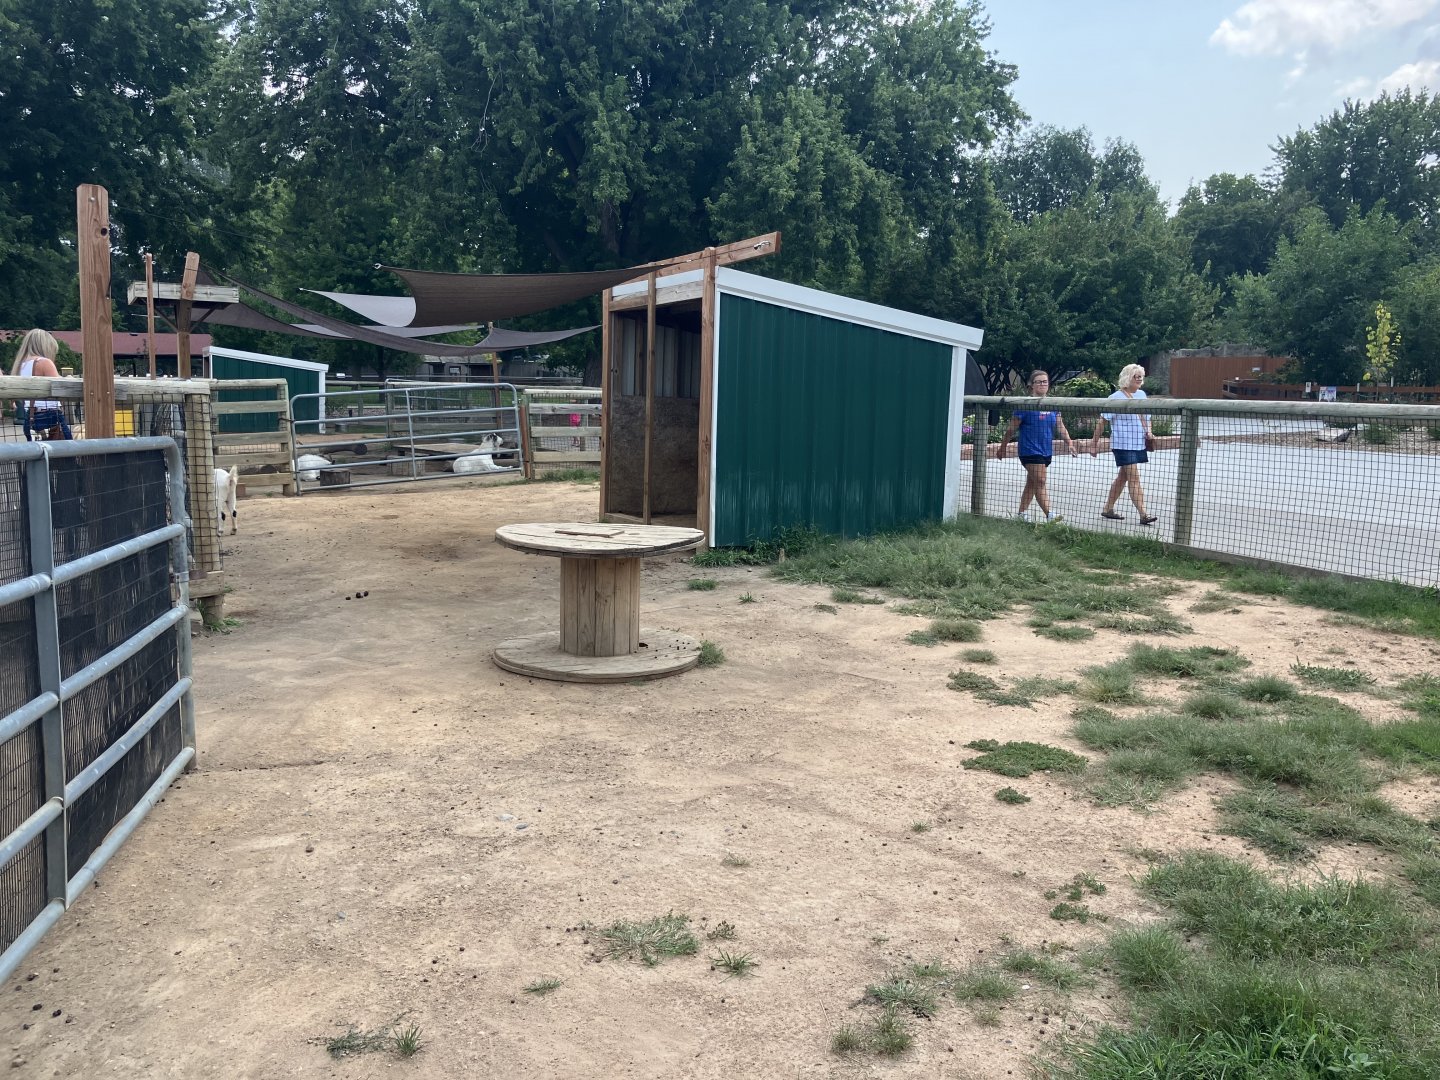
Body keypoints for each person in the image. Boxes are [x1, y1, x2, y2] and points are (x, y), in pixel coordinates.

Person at [996, 370, 1076, 522]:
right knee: (1040, 481)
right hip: (1029, 450)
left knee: (1032, 482)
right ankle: (1050, 515)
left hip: (1045, 450)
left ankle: (1021, 515)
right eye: (1039, 382)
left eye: (1045, 381)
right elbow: (1011, 429)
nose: (1042, 384)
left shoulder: (1052, 405)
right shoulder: (1025, 405)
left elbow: (1060, 425)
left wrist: (1070, 443)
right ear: (1031, 385)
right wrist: (1003, 447)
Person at [1089, 363, 1155, 525]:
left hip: (1138, 443)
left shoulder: (1142, 395)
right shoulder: (1115, 398)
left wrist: (1149, 432)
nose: (1139, 378)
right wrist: (1093, 443)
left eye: (1141, 376)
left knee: (1123, 477)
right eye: (1135, 376)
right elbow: (1102, 421)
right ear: (1127, 378)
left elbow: (1147, 418)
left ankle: (1108, 508)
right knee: (1134, 477)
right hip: (1122, 444)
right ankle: (1143, 514)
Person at [9, 329, 73, 441]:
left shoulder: (20, 365)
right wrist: (69, 379)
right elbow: (61, 386)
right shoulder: (44, 362)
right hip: (50, 416)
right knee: (67, 452)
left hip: (30, 417)